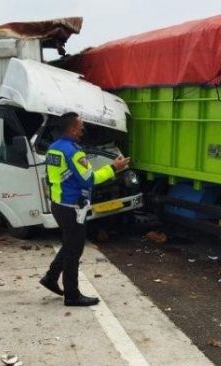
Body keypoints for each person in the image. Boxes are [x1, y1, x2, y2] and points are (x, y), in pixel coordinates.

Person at [40, 112, 130, 306]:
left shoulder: (53, 148)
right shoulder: (74, 152)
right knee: (74, 250)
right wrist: (114, 167)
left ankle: (50, 277)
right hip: (72, 207)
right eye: (80, 125)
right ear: (72, 129)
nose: (83, 128)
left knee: (70, 244)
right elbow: (90, 180)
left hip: (58, 204)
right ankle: (72, 295)